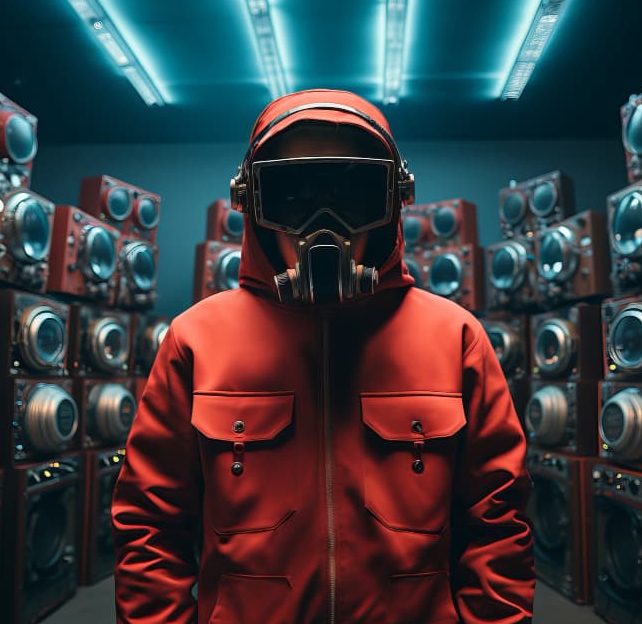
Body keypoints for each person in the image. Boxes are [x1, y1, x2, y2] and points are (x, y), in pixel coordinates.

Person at [112, 89, 534, 624]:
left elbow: (497, 526)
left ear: (393, 202)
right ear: (252, 204)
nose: (324, 222)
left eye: (351, 195)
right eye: (294, 194)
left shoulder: (455, 339)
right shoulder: (196, 341)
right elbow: (152, 527)